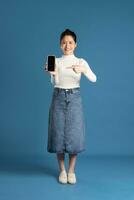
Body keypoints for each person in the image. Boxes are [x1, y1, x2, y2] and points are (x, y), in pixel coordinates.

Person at [45, 29, 97, 184]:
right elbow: (56, 83)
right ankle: (62, 170)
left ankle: (72, 171)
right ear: (60, 45)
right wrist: (53, 74)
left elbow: (94, 78)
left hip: (74, 97)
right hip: (58, 96)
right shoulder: (57, 61)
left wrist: (83, 70)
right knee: (58, 133)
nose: (67, 45)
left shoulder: (81, 61)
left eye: (70, 42)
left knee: (74, 134)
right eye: (64, 42)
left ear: (75, 44)